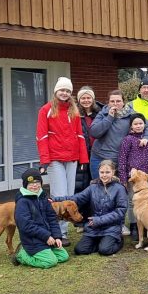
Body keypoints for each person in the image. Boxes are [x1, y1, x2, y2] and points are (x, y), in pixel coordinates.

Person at [36, 76, 89, 246]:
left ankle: (63, 230)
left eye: (67, 91)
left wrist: (83, 158)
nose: (64, 93)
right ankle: (59, 232)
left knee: (69, 194)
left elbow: (80, 136)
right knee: (58, 195)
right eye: (62, 90)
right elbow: (42, 136)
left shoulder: (73, 110)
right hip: (55, 158)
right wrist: (44, 160)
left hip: (72, 158)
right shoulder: (46, 110)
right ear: (56, 91)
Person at [54, 159, 127, 255]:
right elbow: (76, 198)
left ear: (113, 172)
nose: (104, 175)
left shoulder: (120, 189)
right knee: (80, 250)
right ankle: (102, 242)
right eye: (102, 172)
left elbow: (120, 212)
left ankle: (118, 240)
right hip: (93, 228)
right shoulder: (93, 187)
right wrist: (55, 199)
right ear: (98, 172)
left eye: (107, 172)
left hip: (111, 228)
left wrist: (98, 220)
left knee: (104, 251)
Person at [89, 90, 148, 181]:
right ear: (108, 103)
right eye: (112, 101)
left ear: (123, 102)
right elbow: (94, 132)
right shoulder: (103, 114)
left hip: (120, 160)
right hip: (99, 157)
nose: (115, 104)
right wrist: (109, 118)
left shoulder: (132, 114)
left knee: (118, 189)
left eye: (118, 101)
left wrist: (146, 138)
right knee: (98, 188)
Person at [11, 168, 69, 268]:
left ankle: (46, 252)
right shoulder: (22, 202)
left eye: (37, 182)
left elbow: (52, 218)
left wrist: (57, 236)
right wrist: (46, 236)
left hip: (48, 238)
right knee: (51, 262)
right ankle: (21, 255)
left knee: (64, 256)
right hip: (33, 240)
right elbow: (26, 225)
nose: (35, 185)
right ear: (25, 185)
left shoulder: (43, 197)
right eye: (31, 183)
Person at [118, 114, 148, 240]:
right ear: (131, 126)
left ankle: (146, 225)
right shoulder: (128, 140)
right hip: (133, 178)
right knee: (132, 201)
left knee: (147, 201)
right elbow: (122, 159)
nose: (138, 126)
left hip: (145, 177)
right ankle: (134, 225)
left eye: (140, 123)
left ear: (144, 125)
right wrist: (123, 177)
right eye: (135, 124)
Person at [74, 86, 103, 195]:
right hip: (82, 154)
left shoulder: (102, 113)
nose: (86, 100)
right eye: (83, 98)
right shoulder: (74, 114)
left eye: (88, 98)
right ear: (79, 100)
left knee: (97, 183)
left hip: (98, 153)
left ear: (93, 99)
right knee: (82, 183)